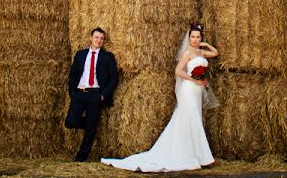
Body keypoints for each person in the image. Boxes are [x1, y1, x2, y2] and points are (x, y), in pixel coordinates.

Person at [101, 23, 219, 172]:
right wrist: (194, 79)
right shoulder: (188, 53)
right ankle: (201, 157)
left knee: (192, 118)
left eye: (198, 37)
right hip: (189, 88)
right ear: (189, 38)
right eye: (193, 37)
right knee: (192, 117)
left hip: (197, 89)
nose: (195, 39)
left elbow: (215, 53)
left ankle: (196, 153)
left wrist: (206, 44)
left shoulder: (201, 52)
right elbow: (178, 71)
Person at [65, 27, 119, 162]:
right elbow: (73, 75)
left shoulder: (108, 57)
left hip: (96, 95)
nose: (99, 40)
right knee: (70, 122)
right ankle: (91, 125)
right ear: (91, 38)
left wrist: (103, 95)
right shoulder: (80, 54)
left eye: (101, 38)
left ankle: (80, 159)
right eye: (96, 37)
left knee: (90, 130)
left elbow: (114, 78)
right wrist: (72, 92)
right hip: (79, 94)